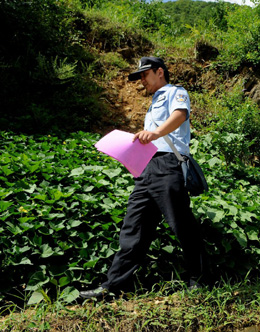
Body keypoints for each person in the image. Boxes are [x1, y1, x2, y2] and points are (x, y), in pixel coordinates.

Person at [80, 56, 206, 299]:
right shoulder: (153, 103)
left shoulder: (175, 92)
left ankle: (198, 280)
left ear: (160, 72)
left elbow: (180, 115)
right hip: (147, 169)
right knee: (134, 228)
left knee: (182, 225)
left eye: (144, 75)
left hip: (168, 165)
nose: (141, 81)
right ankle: (113, 287)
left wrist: (156, 131)